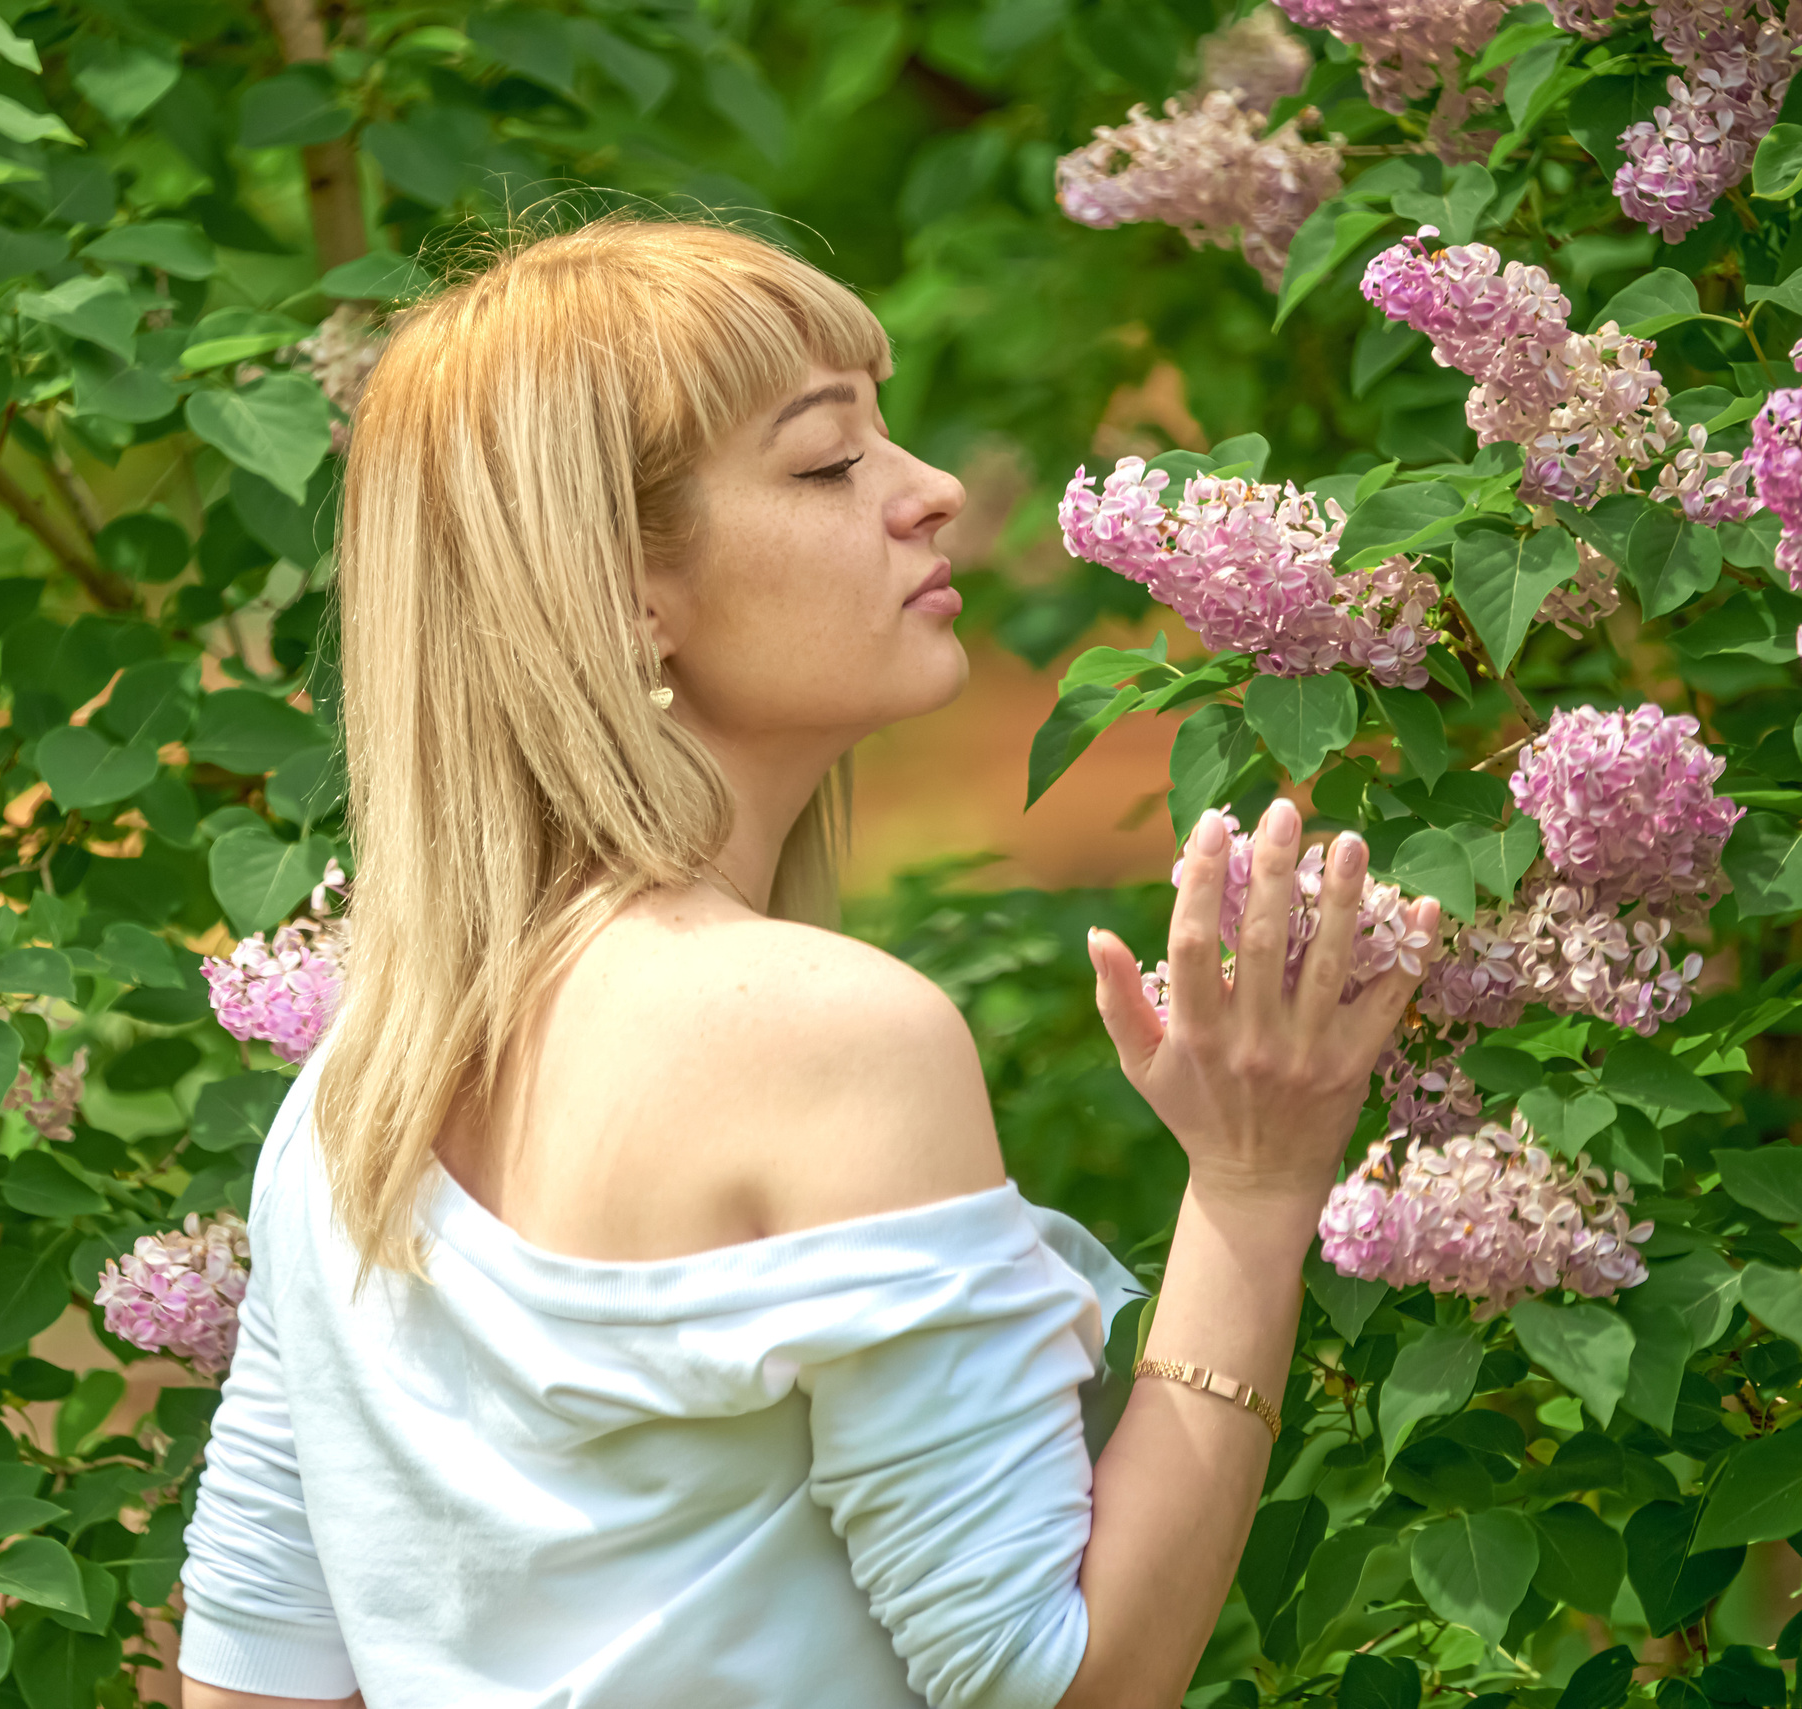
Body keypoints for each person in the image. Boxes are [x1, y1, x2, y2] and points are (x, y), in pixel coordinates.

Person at [175, 218, 1436, 1709]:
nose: (931, 489)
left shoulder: (347, 1102)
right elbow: (1061, 1687)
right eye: (829, 463)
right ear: (626, 593)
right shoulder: (827, 1036)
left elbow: (249, 1683)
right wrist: (1254, 1193)